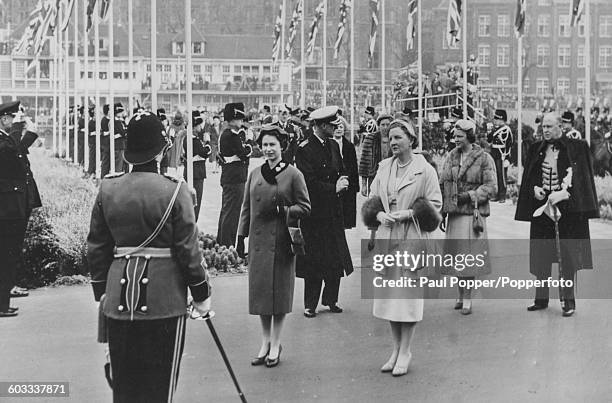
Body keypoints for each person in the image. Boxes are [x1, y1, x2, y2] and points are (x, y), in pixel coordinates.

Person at [87, 111, 212, 401]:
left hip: (117, 300)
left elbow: (97, 247)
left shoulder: (108, 187)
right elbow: (188, 250)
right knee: (160, 388)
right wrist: (202, 293)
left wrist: (102, 293)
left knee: (124, 386)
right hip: (164, 300)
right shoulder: (176, 190)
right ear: (162, 150)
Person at [365, 118, 442, 376]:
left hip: (412, 238)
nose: (392, 142)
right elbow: (372, 199)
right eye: (390, 138)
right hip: (388, 237)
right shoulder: (384, 167)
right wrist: (377, 216)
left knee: (407, 297)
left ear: (411, 139)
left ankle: (406, 351)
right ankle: (395, 349)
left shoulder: (425, 170)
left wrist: (408, 213)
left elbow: (436, 207)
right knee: (390, 297)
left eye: (398, 137)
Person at [236, 126, 311, 368]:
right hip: (258, 243)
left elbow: (306, 207)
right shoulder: (255, 173)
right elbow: (246, 207)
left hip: (281, 241)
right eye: (265, 145)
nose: (268, 149)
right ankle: (264, 342)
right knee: (260, 294)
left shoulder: (293, 174)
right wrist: (240, 236)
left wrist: (283, 210)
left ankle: (276, 343)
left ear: (282, 146)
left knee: (278, 294)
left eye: (273, 145)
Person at [515, 112, 599, 317]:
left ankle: (568, 301)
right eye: (543, 126)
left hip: (568, 213)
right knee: (541, 254)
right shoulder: (536, 149)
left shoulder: (576, 148)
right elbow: (529, 178)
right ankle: (541, 299)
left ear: (560, 126)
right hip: (543, 211)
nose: (545, 130)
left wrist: (565, 193)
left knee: (567, 258)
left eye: (550, 126)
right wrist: (535, 189)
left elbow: (582, 178)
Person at [295, 106, 353, 318]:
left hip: (333, 211)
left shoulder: (333, 146)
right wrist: (333, 188)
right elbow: (307, 182)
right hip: (315, 213)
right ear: (318, 126)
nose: (334, 127)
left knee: (334, 257)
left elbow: (341, 169)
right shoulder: (304, 149)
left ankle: (331, 299)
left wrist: (344, 180)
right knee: (314, 259)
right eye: (330, 125)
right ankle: (310, 304)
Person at [439, 119, 497, 315]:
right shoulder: (450, 157)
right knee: (457, 257)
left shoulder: (484, 158)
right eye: (454, 136)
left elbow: (491, 187)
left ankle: (468, 297)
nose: (455, 140)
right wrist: (441, 212)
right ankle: (459, 294)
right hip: (454, 214)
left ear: (469, 136)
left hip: (471, 215)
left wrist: (471, 196)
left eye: (459, 136)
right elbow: (442, 185)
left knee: (468, 258)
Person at [0, 101, 42, 316]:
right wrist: (23, 131)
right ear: (4, 118)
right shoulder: (3, 140)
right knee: (6, 254)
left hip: (14, 204)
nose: (16, 121)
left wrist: (27, 133)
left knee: (9, 253)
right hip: (8, 207)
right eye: (13, 118)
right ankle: (2, 304)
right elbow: (13, 154)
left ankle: (4, 299)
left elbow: (17, 151)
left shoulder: (7, 139)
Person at [217, 102, 251, 247]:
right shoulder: (230, 135)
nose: (241, 122)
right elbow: (244, 153)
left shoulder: (230, 134)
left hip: (232, 177)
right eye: (240, 119)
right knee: (232, 214)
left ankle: (223, 243)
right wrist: (248, 144)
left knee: (228, 212)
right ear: (232, 119)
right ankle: (227, 245)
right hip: (234, 178)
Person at [184, 111, 211, 220]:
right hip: (197, 173)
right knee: (196, 203)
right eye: (199, 124)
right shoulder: (194, 140)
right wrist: (207, 142)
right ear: (194, 126)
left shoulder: (188, 138)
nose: (201, 127)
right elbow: (205, 153)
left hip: (191, 172)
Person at [333, 116, 359, 229]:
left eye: (341, 127)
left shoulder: (349, 146)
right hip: (335, 181)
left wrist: (355, 185)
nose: (339, 129)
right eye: (336, 127)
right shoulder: (328, 144)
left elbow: (354, 166)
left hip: (348, 181)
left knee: (346, 210)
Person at [359, 114, 392, 197]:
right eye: (383, 125)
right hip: (374, 178)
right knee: (374, 204)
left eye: (388, 125)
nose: (385, 127)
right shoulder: (370, 139)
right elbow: (364, 162)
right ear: (378, 126)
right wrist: (364, 185)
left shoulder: (395, 138)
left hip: (391, 177)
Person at [487, 109, 513, 203]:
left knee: (502, 176)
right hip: (494, 153)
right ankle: (497, 195)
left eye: (497, 119)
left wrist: (507, 158)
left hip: (502, 154)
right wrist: (489, 131)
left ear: (502, 120)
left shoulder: (506, 130)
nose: (495, 121)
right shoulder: (495, 129)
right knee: (496, 175)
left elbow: (509, 145)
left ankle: (502, 196)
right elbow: (489, 140)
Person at [112, 103, 127, 173]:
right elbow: (123, 133)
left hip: (118, 145)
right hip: (119, 145)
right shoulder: (117, 122)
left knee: (119, 164)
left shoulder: (117, 121)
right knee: (119, 165)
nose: (121, 114)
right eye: (120, 112)